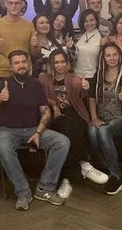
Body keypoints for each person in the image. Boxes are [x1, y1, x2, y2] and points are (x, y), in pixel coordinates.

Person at [0, 50, 70, 210]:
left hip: (33, 129)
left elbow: (45, 112)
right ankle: (23, 192)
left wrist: (38, 132)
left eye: (23, 62)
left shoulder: (36, 85)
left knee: (62, 142)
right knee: (2, 146)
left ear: (28, 64)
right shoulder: (4, 83)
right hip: (8, 131)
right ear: (11, 66)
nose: (21, 65)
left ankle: (44, 187)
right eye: (17, 63)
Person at [39, 49, 107, 198]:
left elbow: (82, 93)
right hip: (55, 118)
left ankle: (67, 179)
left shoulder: (74, 79)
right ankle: (84, 164)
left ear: (68, 63)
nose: (60, 65)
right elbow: (38, 96)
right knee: (65, 128)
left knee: (71, 127)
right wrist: (53, 104)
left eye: (63, 62)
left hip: (75, 115)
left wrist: (85, 87)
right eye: (56, 62)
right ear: (51, 64)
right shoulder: (43, 79)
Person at [88, 43, 122, 195]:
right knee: (92, 131)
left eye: (115, 54)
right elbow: (92, 97)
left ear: (119, 56)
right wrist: (94, 117)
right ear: (103, 57)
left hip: (120, 118)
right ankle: (104, 166)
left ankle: (115, 175)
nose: (112, 58)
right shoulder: (99, 74)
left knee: (103, 131)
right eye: (108, 55)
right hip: (100, 117)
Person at [0, 0, 36, 81]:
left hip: (24, 73)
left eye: (17, 3)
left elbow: (36, 53)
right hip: (3, 74)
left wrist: (35, 45)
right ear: (6, 4)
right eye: (10, 3)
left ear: (21, 5)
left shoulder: (29, 25)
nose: (13, 6)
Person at [73, 9, 107, 81]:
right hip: (77, 75)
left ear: (96, 21)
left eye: (91, 20)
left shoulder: (102, 37)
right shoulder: (78, 37)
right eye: (85, 21)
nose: (88, 23)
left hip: (93, 77)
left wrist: (103, 46)